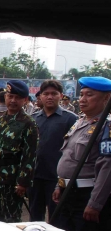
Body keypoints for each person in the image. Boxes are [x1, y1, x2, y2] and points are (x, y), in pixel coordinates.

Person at [52, 76, 111, 231]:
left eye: (89, 95)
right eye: (82, 94)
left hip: (86, 196)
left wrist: (95, 203)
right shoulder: (81, 122)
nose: (82, 99)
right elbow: (68, 158)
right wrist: (59, 184)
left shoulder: (106, 127)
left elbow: (107, 168)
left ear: (106, 98)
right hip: (68, 193)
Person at [0, 80, 39, 223]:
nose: (13, 100)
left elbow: (30, 155)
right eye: (10, 96)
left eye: (17, 97)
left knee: (11, 219)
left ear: (25, 100)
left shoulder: (28, 123)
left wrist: (23, 182)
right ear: (5, 97)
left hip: (11, 177)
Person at [28, 80, 77, 222]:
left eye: (54, 94)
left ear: (61, 96)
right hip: (36, 177)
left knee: (57, 220)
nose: (50, 97)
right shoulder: (33, 119)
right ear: (40, 97)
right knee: (34, 219)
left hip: (56, 179)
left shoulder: (71, 119)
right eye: (46, 94)